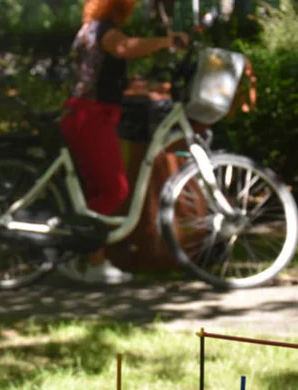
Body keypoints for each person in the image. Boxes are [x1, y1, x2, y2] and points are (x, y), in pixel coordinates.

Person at [59, 0, 188, 285]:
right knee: (113, 190)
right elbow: (124, 48)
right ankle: (93, 262)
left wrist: (140, 86)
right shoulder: (105, 31)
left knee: (93, 191)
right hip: (91, 117)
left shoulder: (91, 29)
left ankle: (76, 256)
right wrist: (167, 41)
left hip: (83, 113)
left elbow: (103, 73)